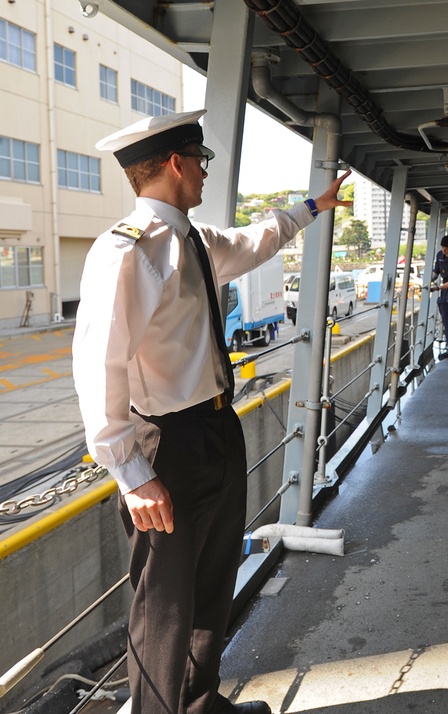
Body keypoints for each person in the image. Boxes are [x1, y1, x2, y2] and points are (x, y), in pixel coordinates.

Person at [73, 109, 352, 714]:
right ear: (177, 164)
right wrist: (131, 472)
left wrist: (312, 206)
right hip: (165, 443)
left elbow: (255, 242)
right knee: (163, 604)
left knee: (212, 581)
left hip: (215, 426)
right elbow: (99, 363)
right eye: (201, 161)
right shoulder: (127, 252)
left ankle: (199, 703)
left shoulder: (191, 241)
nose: (205, 172)